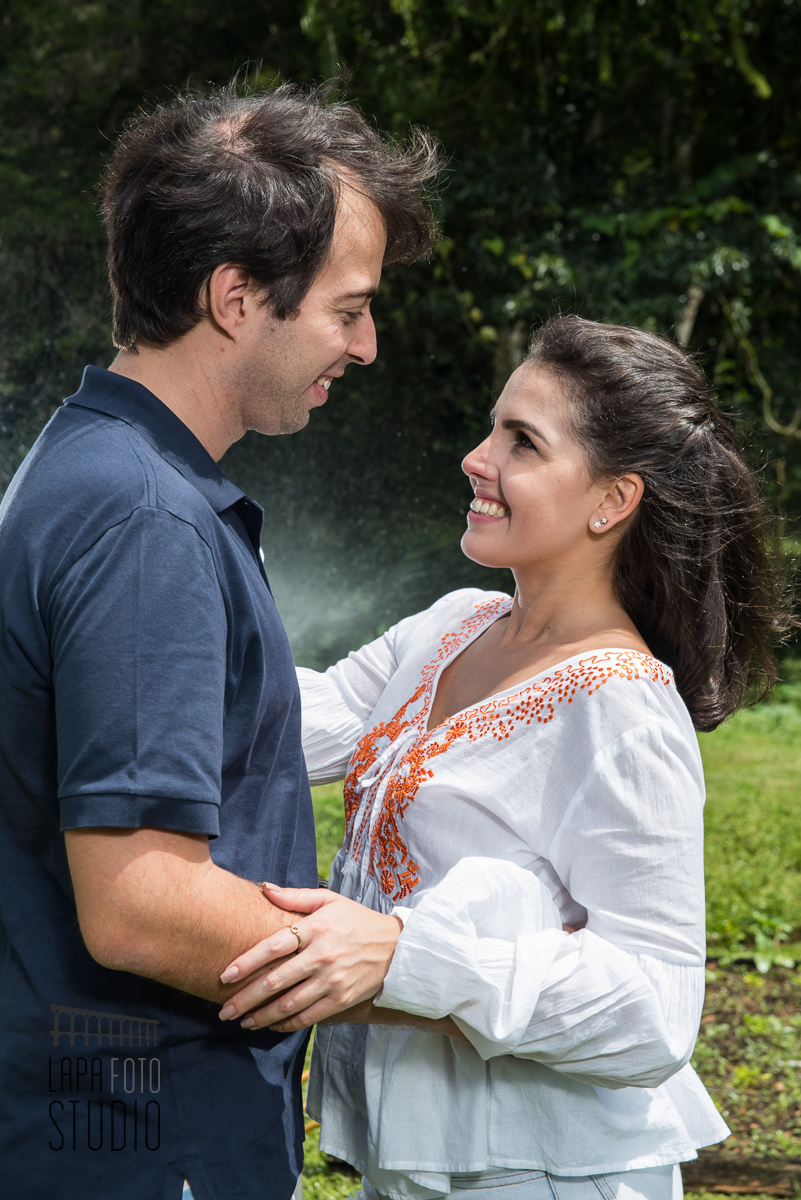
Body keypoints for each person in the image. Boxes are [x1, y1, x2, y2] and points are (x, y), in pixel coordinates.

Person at [219, 316, 792, 1200]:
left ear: (612, 501)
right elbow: (275, 723)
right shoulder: (451, 625)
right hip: (428, 1166)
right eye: (492, 427)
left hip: (549, 1170)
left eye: (521, 441)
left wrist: (404, 956)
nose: (475, 457)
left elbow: (656, 1009)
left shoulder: (619, 704)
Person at [0, 82, 441, 1200]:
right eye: (348, 309)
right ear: (236, 297)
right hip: (145, 1139)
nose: (368, 343)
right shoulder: (143, 519)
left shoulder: (92, 466)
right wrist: (408, 968)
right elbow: (143, 901)